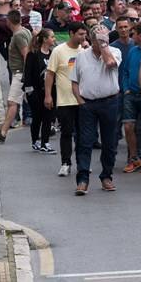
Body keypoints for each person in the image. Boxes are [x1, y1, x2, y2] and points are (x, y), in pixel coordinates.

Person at [70, 26, 123, 195]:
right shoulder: (81, 56)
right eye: (98, 39)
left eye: (105, 38)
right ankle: (83, 179)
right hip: (88, 105)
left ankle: (106, 176)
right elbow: (74, 81)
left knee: (109, 142)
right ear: (91, 41)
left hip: (110, 102)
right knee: (85, 142)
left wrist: (104, 45)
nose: (102, 41)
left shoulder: (114, 51)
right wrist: (81, 102)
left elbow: (110, 63)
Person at [45, 22, 87, 177]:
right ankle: (65, 163)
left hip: (82, 99)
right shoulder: (58, 51)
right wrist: (48, 95)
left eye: (84, 34)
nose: (83, 37)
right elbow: (50, 74)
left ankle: (83, 163)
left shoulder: (85, 51)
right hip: (65, 100)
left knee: (83, 134)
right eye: (80, 34)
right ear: (71, 33)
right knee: (66, 132)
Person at [0, 11, 31, 144]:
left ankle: (2, 132)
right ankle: (49, 126)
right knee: (33, 102)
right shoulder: (24, 31)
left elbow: (26, 55)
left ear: (9, 22)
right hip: (22, 73)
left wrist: (26, 75)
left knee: (12, 103)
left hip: (20, 74)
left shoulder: (18, 36)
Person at [121, 21, 141, 173]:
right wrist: (125, 89)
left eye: (134, 33)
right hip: (130, 94)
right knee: (128, 127)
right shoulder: (132, 50)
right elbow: (125, 71)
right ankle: (134, 158)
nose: (132, 36)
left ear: (140, 35)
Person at [23, 28, 55, 153]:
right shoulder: (34, 53)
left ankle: (45, 142)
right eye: (52, 37)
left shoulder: (53, 54)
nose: (54, 39)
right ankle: (35, 140)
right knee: (37, 116)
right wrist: (29, 91)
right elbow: (28, 73)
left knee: (48, 116)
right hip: (35, 91)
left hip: (49, 90)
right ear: (45, 39)